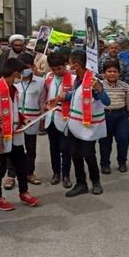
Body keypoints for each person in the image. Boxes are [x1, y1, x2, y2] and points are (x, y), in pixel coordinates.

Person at [47, 50, 111, 197]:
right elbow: (76, 94)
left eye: (69, 64)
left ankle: (95, 182)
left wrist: (100, 90)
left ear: (76, 65)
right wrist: (60, 98)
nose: (68, 66)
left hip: (88, 127)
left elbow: (107, 102)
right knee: (75, 154)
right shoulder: (78, 80)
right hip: (74, 125)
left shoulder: (93, 81)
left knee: (88, 155)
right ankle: (81, 183)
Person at [0, 57, 39, 211]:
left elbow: (14, 109)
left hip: (15, 135)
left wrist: (23, 119)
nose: (22, 77)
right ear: (15, 73)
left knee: (21, 166)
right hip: (0, 138)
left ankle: (24, 193)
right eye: (20, 74)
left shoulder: (13, 90)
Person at [4, 53, 46, 186]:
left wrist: (42, 120)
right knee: (13, 148)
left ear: (33, 66)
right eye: (21, 69)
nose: (25, 71)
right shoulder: (13, 82)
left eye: (27, 67)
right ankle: (11, 175)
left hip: (32, 120)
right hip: (15, 120)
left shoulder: (40, 82)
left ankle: (29, 173)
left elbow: (42, 101)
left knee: (31, 148)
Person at [99, 60, 129, 174]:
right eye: (109, 71)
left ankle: (122, 162)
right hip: (105, 116)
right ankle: (105, 164)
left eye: (115, 71)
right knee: (105, 142)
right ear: (104, 73)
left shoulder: (124, 86)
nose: (112, 74)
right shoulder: (99, 86)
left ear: (119, 73)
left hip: (121, 116)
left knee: (123, 139)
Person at [43, 53, 74, 188]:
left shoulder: (73, 79)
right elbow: (44, 95)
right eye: (54, 69)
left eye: (60, 69)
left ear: (65, 65)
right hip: (50, 118)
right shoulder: (48, 77)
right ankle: (56, 173)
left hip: (66, 118)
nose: (57, 72)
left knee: (66, 148)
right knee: (53, 148)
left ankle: (66, 174)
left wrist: (65, 97)